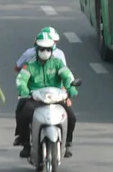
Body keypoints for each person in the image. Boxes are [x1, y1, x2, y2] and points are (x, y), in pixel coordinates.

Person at [13, 30, 78, 159]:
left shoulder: (57, 63)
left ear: (52, 49)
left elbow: (67, 76)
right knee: (23, 114)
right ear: (37, 48)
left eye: (48, 49)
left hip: (56, 98)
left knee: (71, 117)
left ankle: (67, 142)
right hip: (35, 98)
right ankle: (26, 143)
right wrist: (24, 90)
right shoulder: (30, 64)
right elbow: (21, 79)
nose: (45, 52)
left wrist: (71, 87)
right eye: (42, 48)